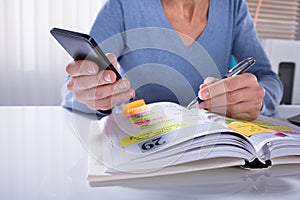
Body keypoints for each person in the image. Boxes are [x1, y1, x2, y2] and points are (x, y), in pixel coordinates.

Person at [62, 0, 283, 121]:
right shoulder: (123, 6)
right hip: (140, 151)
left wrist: (257, 101)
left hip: (214, 153)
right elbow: (71, 91)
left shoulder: (233, 6)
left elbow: (268, 78)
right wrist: (94, 96)